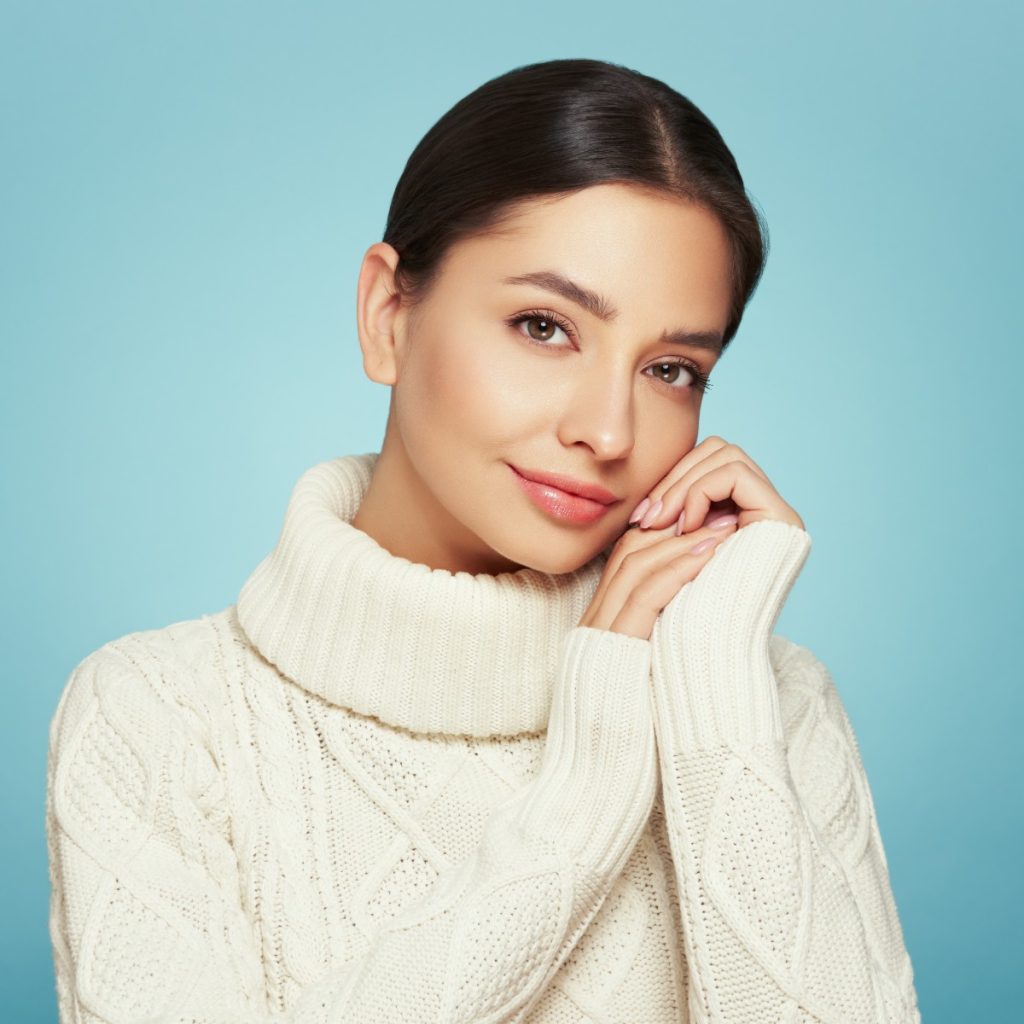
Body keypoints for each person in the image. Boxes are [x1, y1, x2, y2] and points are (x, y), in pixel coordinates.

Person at [45, 57, 921, 1023]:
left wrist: (710, 687)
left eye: (671, 369)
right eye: (544, 326)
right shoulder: (157, 721)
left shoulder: (765, 700)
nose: (611, 431)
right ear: (388, 315)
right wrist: (586, 792)